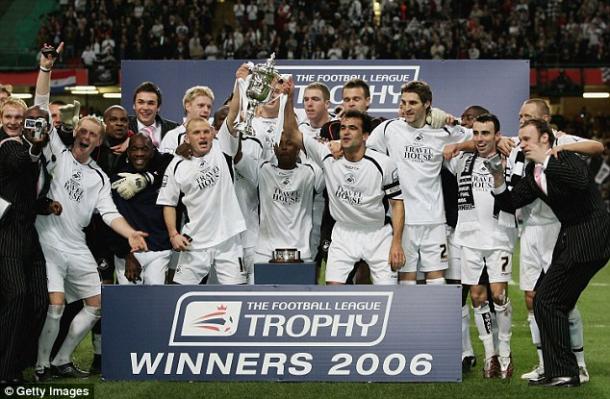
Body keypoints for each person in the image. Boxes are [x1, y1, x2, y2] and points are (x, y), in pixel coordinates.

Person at [34, 44, 149, 380]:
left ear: (98, 142)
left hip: (77, 247)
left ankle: (62, 361)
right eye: (82, 131)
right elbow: (41, 107)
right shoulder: (57, 151)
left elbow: (109, 212)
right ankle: (42, 366)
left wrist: (130, 234)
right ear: (75, 133)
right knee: (55, 307)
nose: (85, 136)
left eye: (92, 134)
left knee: (97, 305)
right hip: (50, 242)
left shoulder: (98, 176)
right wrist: (45, 68)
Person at [491, 118, 610, 388]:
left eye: (527, 138)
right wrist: (498, 177)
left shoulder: (563, 156)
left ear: (545, 139)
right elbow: (509, 202)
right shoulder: (534, 173)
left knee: (548, 300)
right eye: (520, 139)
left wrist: (548, 159)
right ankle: (559, 370)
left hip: (590, 238)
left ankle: (565, 371)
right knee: (547, 300)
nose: (521, 144)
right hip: (574, 240)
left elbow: (580, 181)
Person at [282, 79, 405, 285]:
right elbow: (292, 133)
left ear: (366, 135)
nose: (346, 132)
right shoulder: (328, 156)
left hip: (377, 233)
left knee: (387, 296)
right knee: (334, 291)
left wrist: (397, 243)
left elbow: (397, 204)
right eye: (343, 128)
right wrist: (288, 98)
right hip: (342, 232)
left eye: (353, 128)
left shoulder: (384, 164)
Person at [367, 81, 471, 286]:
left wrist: (454, 126)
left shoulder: (443, 132)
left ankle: (435, 319)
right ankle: (410, 318)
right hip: (402, 219)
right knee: (407, 279)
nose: (406, 108)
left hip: (434, 219)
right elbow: (369, 156)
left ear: (427, 104)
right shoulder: (389, 128)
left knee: (437, 280)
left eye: (413, 103)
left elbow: (476, 138)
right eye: (403, 102)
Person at [445, 114, 517, 379]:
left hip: (500, 236)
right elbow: (445, 142)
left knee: (498, 296)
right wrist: (463, 144)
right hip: (469, 237)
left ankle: (506, 355)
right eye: (476, 133)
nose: (480, 138)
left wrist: (507, 142)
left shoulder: (510, 158)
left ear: (498, 135)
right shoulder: (463, 160)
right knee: (477, 297)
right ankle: (490, 356)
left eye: (486, 133)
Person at [157, 115, 247, 285]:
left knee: (238, 293)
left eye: (206, 131)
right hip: (194, 240)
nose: (203, 136)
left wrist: (240, 89)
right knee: (178, 293)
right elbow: (168, 203)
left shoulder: (222, 148)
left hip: (228, 237)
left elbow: (232, 113)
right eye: (196, 132)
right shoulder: (177, 165)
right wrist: (173, 234)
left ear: (213, 133)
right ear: (187, 138)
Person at [0, 101, 51, 384]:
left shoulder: (32, 148)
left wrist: (45, 205)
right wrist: (34, 147)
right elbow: (18, 161)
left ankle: (18, 362)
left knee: (40, 301)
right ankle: (5, 369)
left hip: (29, 233)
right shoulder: (8, 145)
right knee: (17, 295)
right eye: (9, 116)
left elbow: (26, 189)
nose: (14, 121)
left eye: (20, 118)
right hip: (6, 234)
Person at [111, 133, 173, 285]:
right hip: (129, 253)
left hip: (159, 250)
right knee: (129, 304)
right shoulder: (118, 179)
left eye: (144, 149)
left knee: (156, 303)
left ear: (153, 151)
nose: (139, 154)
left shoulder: (165, 173)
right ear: (128, 152)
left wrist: (148, 177)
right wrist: (127, 255)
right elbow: (112, 219)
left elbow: (172, 161)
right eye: (134, 149)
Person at [160, 85, 215, 154]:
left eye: (209, 107)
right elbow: (165, 163)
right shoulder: (172, 137)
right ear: (188, 106)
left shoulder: (214, 137)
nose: (206, 110)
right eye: (201, 105)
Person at [128, 81, 179, 147]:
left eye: (151, 103)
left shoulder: (173, 128)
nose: (145, 108)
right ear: (134, 105)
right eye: (141, 102)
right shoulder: (124, 126)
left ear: (158, 107)